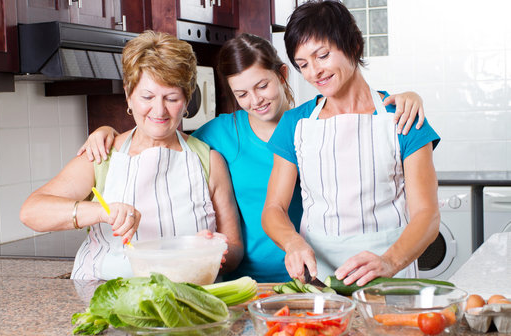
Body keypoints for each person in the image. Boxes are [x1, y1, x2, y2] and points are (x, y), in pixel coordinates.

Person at [78, 33, 426, 283]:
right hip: (246, 282)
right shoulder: (219, 135)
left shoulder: (311, 125)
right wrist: (108, 132)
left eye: (262, 86)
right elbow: (164, 134)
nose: (255, 100)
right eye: (241, 93)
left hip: (320, 275)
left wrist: (407, 97)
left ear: (283, 75)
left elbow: (362, 132)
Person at [20, 31, 243, 280]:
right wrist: (101, 213)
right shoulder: (103, 154)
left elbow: (234, 248)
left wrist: (214, 249)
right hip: (104, 296)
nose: (159, 110)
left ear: (187, 98)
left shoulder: (208, 161)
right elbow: (32, 212)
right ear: (128, 94)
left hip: (186, 304)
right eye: (147, 97)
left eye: (171, 98)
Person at [262, 0, 440, 287]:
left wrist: (389, 261)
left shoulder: (402, 118)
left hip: (389, 276)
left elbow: (428, 215)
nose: (314, 72)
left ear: (353, 46)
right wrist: (292, 242)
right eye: (302, 64)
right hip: (319, 278)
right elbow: (273, 210)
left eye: (322, 55)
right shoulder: (295, 124)